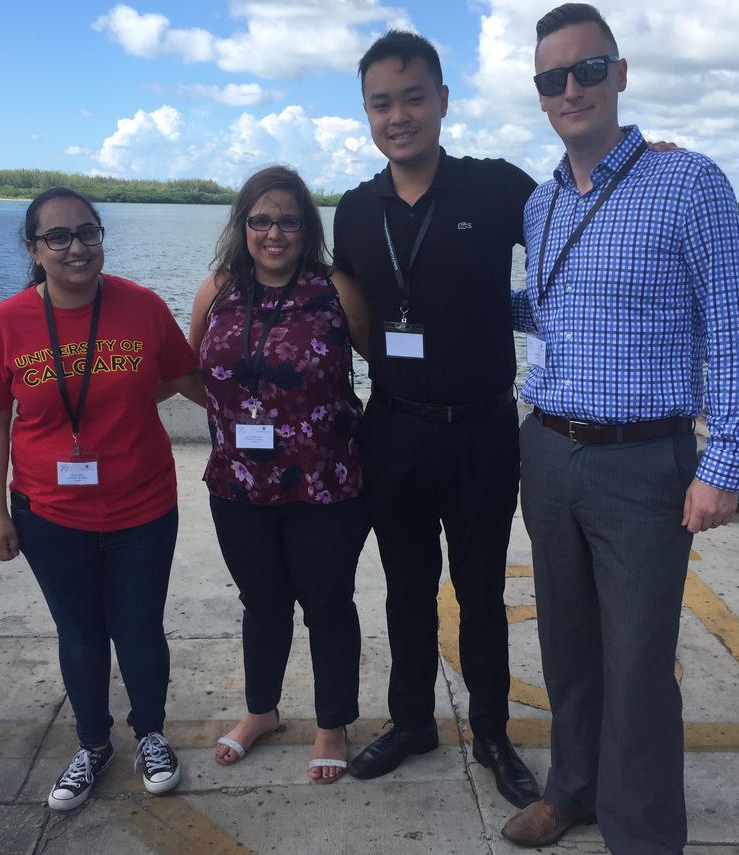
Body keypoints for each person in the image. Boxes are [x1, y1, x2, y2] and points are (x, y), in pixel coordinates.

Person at [502, 5, 739, 850]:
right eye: (553, 78)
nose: (570, 89)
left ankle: (643, 832)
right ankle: (572, 788)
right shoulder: (541, 205)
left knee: (640, 663)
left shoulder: (691, 184)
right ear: (540, 93)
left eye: (587, 70)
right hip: (547, 448)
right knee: (568, 644)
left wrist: (724, 460)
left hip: (642, 461)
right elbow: (548, 312)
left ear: (620, 73)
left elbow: (733, 329)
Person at [331, 31, 541, 807]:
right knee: (405, 586)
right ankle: (412, 720)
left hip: (484, 427)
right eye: (381, 103)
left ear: (443, 101)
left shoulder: (499, 189)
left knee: (481, 588)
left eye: (413, 97)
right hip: (396, 426)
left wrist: (645, 159)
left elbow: (584, 211)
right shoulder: (354, 210)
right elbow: (349, 307)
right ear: (366, 113)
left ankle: (491, 730)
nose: (399, 115)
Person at [0, 187, 204, 811]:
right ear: (34, 250)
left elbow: (182, 377)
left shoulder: (141, 306)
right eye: (58, 237)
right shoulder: (5, 323)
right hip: (49, 513)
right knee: (81, 634)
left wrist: (269, 412)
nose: (76, 247)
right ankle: (93, 743)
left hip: (143, 508)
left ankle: (150, 733)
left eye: (87, 232)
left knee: (141, 631)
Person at [188, 165, 371, 784]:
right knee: (261, 604)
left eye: (288, 220)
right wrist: (236, 417)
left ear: (306, 227)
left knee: (327, 606)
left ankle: (331, 724)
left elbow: (384, 362)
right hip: (238, 486)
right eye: (260, 219)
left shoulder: (335, 288)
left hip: (326, 485)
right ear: (242, 225)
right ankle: (261, 712)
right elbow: (193, 372)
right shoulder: (216, 290)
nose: (273, 233)